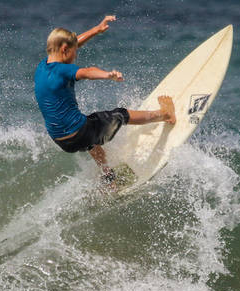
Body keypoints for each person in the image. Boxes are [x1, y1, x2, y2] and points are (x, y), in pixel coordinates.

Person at [34, 15, 175, 181]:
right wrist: (108, 75)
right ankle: (165, 114)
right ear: (64, 50)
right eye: (74, 52)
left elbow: (73, 43)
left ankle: (109, 176)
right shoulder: (63, 71)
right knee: (121, 114)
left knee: (91, 139)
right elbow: (87, 72)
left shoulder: (43, 66)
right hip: (80, 133)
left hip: (62, 141)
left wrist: (96, 30)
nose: (76, 56)